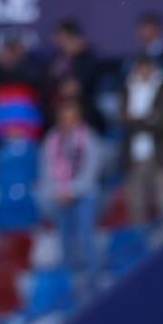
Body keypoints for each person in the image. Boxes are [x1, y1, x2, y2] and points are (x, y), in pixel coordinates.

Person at [38, 97, 103, 286]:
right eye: (64, 118)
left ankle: (93, 276)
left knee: (85, 234)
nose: (68, 122)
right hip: (60, 195)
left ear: (78, 118)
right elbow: (46, 168)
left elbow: (92, 169)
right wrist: (58, 190)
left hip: (84, 194)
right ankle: (69, 280)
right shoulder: (51, 139)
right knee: (64, 238)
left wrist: (72, 190)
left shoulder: (89, 138)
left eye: (71, 117)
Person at [121, 55, 163, 232]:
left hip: (161, 155)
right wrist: (148, 119)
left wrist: (137, 121)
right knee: (136, 207)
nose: (143, 71)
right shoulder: (128, 87)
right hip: (134, 157)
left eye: (147, 67)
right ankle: (140, 249)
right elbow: (122, 118)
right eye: (140, 67)